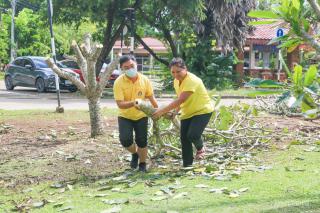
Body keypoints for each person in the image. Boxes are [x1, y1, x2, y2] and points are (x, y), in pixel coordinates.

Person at [152, 57, 213, 167]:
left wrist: (161, 111)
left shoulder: (192, 80)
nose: (176, 74)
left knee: (193, 135)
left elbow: (181, 99)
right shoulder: (176, 81)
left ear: (185, 69)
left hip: (202, 110)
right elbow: (180, 98)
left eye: (178, 71)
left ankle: (200, 148)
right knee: (184, 140)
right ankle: (187, 165)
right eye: (173, 72)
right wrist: (175, 112)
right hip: (187, 112)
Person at [113, 55, 158, 172]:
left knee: (142, 141)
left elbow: (151, 98)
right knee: (125, 140)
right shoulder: (118, 82)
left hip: (141, 116)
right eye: (126, 67)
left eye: (132, 66)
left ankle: (142, 164)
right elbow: (120, 104)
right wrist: (134, 103)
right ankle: (135, 153)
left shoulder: (145, 80)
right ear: (122, 69)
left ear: (136, 64)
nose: (130, 69)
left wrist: (158, 110)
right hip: (125, 116)